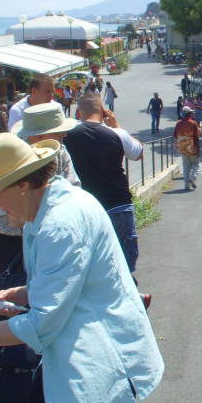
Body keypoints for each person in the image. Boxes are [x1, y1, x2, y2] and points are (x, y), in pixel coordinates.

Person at [0, 133, 164, 403]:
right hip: (84, 358)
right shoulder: (43, 208)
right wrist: (21, 293)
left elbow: (39, 326)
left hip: (100, 363)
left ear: (22, 184)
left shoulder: (59, 224)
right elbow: (67, 282)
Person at [64, 93, 144, 273]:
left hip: (86, 208)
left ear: (78, 113)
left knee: (94, 261)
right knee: (124, 260)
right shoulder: (116, 134)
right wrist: (117, 126)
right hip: (119, 205)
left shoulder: (68, 136)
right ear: (103, 111)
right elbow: (138, 154)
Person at [174, 106, 202, 190]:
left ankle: (186, 185)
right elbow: (196, 137)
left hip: (182, 148)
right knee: (195, 164)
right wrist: (198, 148)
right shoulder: (193, 123)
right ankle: (192, 177)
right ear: (189, 114)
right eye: (191, 113)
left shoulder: (178, 123)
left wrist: (177, 144)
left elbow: (175, 135)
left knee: (186, 167)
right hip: (192, 147)